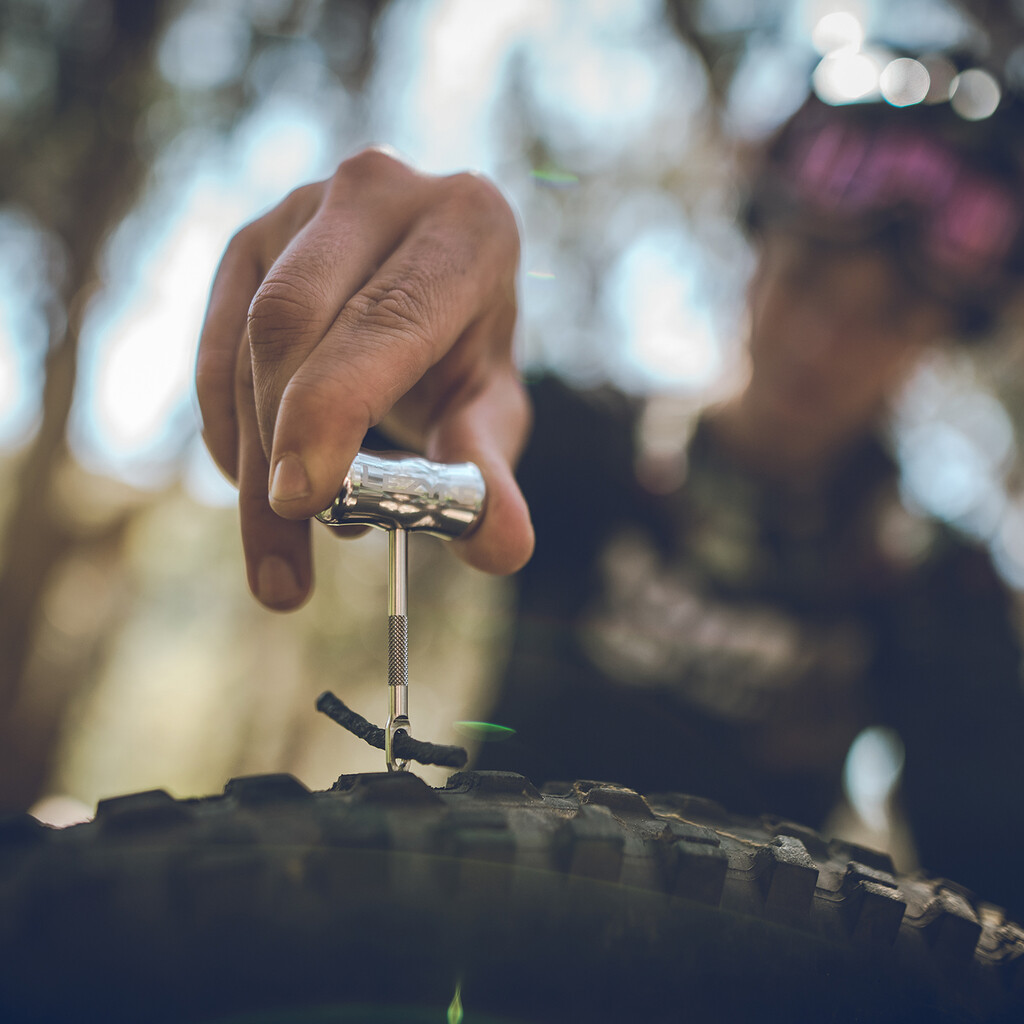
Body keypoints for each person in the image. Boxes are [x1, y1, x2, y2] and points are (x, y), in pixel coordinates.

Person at [196, 85, 1024, 915]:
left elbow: (993, 881)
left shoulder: (939, 590)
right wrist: (354, 320)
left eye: (887, 314)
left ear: (933, 343)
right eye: (807, 276)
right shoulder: (579, 444)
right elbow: (356, 436)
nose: (823, 340)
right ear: (755, 255)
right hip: (470, 936)